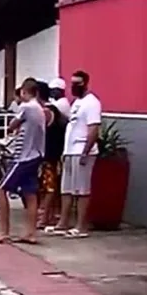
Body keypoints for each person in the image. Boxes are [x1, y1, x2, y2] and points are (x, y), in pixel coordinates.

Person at [0, 80, 46, 245]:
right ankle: (30, 233)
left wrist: (12, 128)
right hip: (37, 154)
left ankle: (3, 231)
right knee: (30, 194)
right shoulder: (40, 109)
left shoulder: (27, 107)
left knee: (1, 189)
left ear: (24, 92)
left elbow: (12, 125)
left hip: (24, 156)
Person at [47, 70, 102, 239]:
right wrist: (65, 151)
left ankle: (81, 226)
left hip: (82, 151)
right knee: (67, 189)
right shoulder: (77, 103)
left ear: (85, 83)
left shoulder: (92, 103)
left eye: (77, 83)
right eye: (72, 83)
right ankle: (63, 223)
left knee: (82, 190)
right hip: (70, 151)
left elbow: (93, 129)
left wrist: (86, 151)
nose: (74, 86)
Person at [37, 82, 67, 229]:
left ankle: (45, 217)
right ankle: (49, 214)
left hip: (48, 154)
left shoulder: (45, 111)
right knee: (49, 184)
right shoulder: (52, 109)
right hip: (53, 153)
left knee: (48, 185)